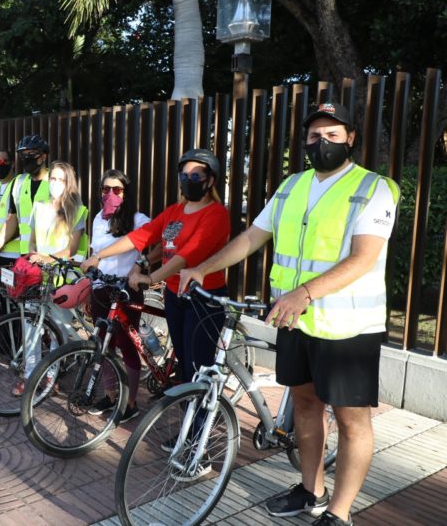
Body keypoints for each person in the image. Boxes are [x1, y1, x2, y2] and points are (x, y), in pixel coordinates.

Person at [178, 103, 399, 526]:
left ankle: (340, 513)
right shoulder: (292, 185)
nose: (323, 143)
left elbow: (364, 257)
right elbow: (252, 237)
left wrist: (304, 293)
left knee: (352, 420)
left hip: (349, 326)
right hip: (296, 322)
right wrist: (203, 268)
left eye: (333, 135)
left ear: (351, 137)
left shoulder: (374, 188)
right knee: (304, 404)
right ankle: (312, 491)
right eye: (315, 136)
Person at [84, 148, 230, 390]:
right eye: (184, 176)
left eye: (196, 176)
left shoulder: (216, 213)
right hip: (174, 294)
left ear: (210, 180)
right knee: (184, 365)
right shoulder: (175, 211)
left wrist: (149, 278)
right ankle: (187, 422)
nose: (188, 181)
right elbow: (141, 237)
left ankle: (199, 425)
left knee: (197, 368)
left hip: (203, 298)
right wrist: (98, 257)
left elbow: (185, 256)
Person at [78, 169, 150, 422]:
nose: (110, 194)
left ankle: (130, 402)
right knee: (101, 344)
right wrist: (89, 287)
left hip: (125, 291)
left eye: (116, 190)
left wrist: (139, 265)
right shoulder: (98, 218)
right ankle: (110, 395)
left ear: (126, 193)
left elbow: (147, 245)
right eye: (105, 189)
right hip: (101, 288)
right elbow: (93, 254)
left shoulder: (139, 219)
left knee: (127, 346)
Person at [11, 161, 89, 396]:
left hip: (62, 277)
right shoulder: (39, 206)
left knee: (60, 330)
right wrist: (35, 257)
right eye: (52, 179)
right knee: (32, 328)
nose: (55, 184)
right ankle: (29, 377)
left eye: (61, 180)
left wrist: (48, 258)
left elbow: (72, 249)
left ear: (69, 183)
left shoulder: (78, 210)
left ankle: (53, 375)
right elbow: (32, 240)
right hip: (37, 276)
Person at [11, 135, 51, 256]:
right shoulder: (19, 182)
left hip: (50, 254)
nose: (27, 158)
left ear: (44, 156)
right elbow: (12, 218)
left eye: (32, 154)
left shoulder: (56, 180)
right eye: (23, 155)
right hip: (26, 253)